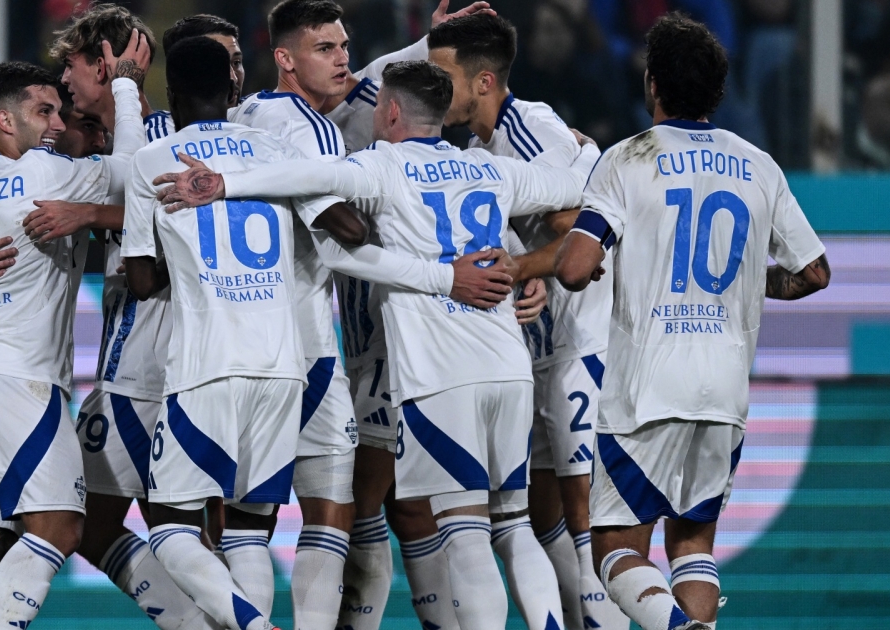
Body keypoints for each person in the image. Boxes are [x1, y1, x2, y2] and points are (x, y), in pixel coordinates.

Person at [151, 59, 599, 630]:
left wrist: (224, 184)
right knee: (512, 523)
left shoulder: (381, 166)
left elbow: (305, 176)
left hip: (441, 375)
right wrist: (585, 149)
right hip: (509, 362)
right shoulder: (490, 168)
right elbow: (570, 182)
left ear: (389, 112)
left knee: (464, 532)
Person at [553, 14, 829, 630]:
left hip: (647, 388)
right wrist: (748, 281)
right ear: (719, 91)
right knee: (692, 543)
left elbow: (573, 269)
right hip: (725, 391)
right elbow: (814, 272)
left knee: (616, 549)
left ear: (652, 84)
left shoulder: (629, 158)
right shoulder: (759, 165)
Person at [120, 35, 362, 630]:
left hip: (206, 365)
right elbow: (349, 227)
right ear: (233, 87)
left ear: (170, 92)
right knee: (250, 527)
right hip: (283, 365)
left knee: (171, 527)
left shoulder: (152, 160)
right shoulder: (275, 149)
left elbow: (143, 281)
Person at [428, 13, 631, 630]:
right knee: (539, 516)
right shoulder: (475, 151)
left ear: (484, 81)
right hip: (534, 351)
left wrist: (522, 268)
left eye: (444, 78)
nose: (436, 91)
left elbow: (581, 228)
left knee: (582, 511)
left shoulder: (531, 128)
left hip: (581, 343)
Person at [0, 59, 141, 629]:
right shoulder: (49, 173)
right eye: (44, 111)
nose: (56, 123)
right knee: (58, 527)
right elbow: (134, 172)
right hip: (18, 375)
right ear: (7, 120)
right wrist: (126, 89)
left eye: (60, 111)